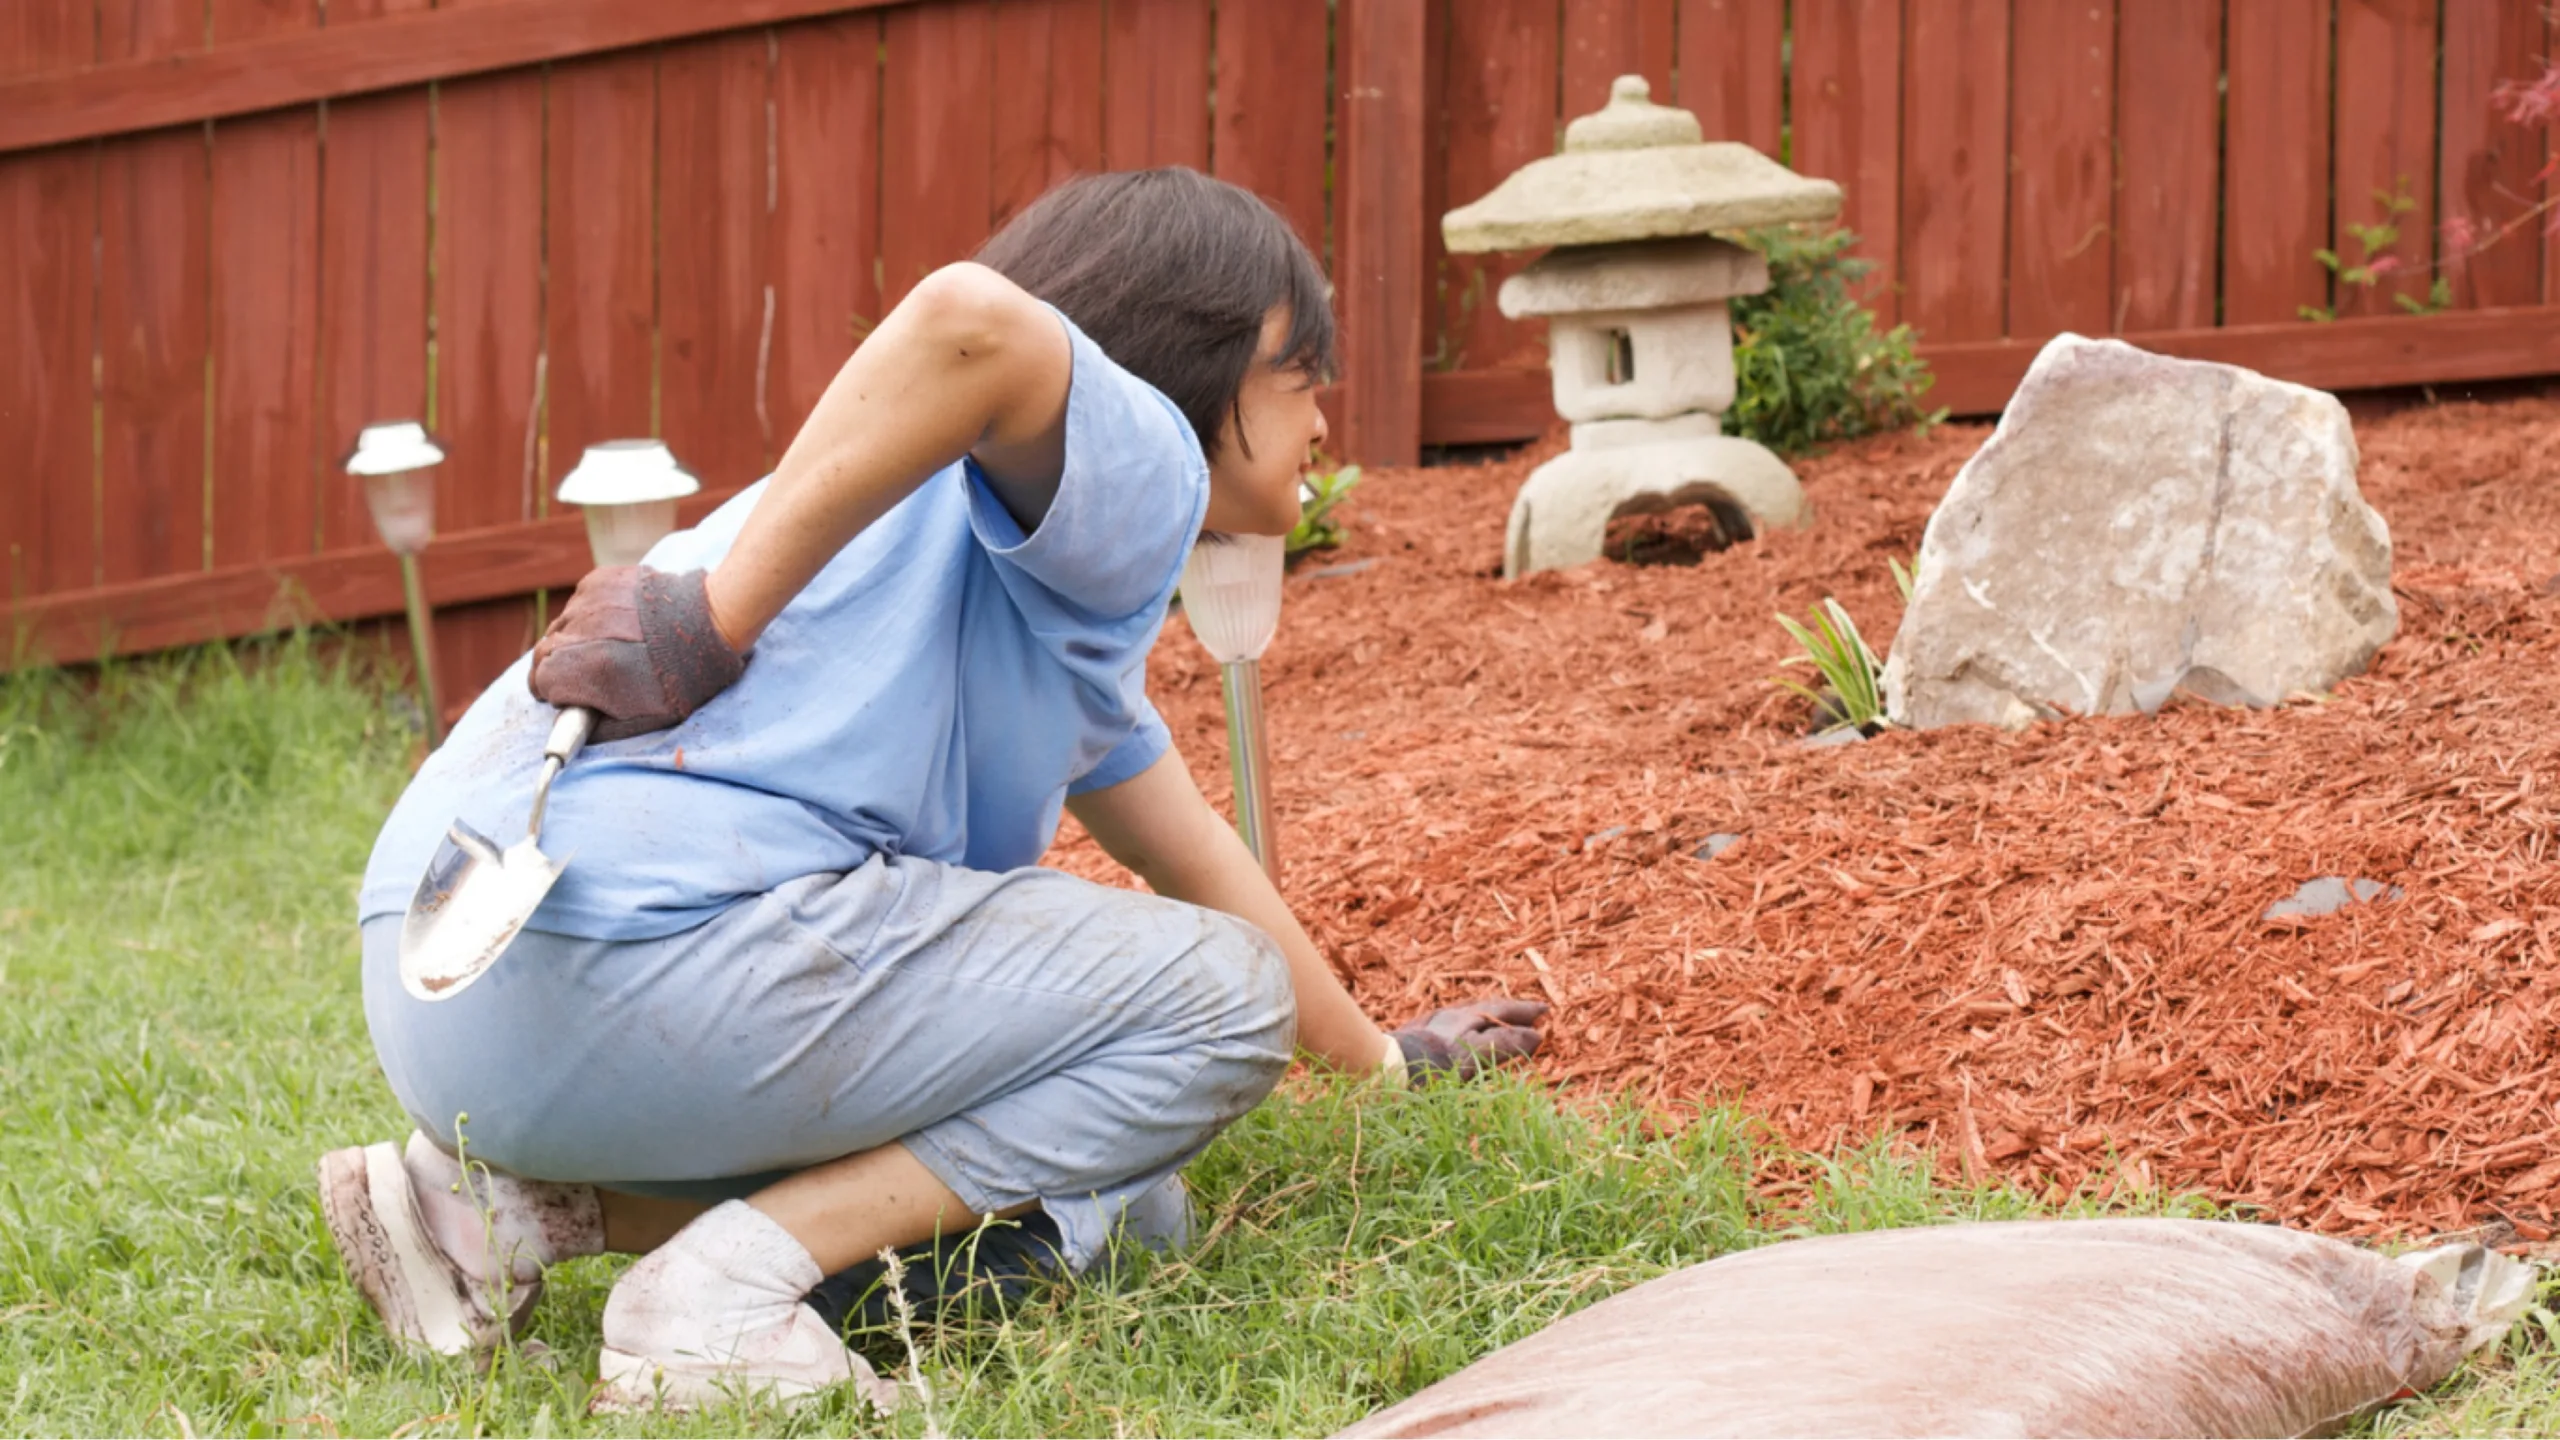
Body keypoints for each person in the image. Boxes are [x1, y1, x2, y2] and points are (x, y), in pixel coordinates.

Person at [317, 167, 1548, 1412]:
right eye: (1300, 370)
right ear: (1184, 362)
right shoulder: (1138, 476)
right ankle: (717, 1303)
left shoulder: (968, 559)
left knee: (1129, 1203)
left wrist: (1385, 1061)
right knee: (1216, 1003)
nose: (1324, 418)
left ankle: (500, 1212)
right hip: (637, 963)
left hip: (456, 987)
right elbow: (973, 316)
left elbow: (1196, 856)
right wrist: (711, 621)